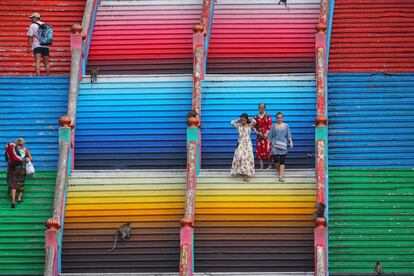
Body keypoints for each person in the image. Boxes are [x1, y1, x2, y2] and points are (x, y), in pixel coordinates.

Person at [5, 138, 32, 208]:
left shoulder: (14, 149)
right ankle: (19, 198)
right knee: (21, 183)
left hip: (13, 169)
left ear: (17, 143)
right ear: (23, 143)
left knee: (13, 184)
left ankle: (13, 201)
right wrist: (26, 159)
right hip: (22, 169)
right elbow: (30, 158)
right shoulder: (26, 150)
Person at [230, 113, 256, 182]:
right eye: (242, 120)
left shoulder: (249, 126)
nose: (243, 121)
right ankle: (241, 171)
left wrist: (248, 118)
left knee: (247, 158)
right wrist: (239, 119)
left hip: (247, 144)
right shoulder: (239, 126)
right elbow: (232, 122)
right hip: (240, 143)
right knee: (239, 156)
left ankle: (246, 176)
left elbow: (254, 122)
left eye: (244, 120)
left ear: (246, 120)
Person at [268, 112, 293, 182]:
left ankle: (281, 176)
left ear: (282, 118)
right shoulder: (273, 126)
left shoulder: (286, 126)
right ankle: (279, 171)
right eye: (278, 118)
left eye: (280, 117)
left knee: (282, 160)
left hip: (283, 144)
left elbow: (289, 135)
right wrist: (268, 145)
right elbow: (270, 136)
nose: (279, 119)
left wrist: (291, 142)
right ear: (276, 118)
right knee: (276, 159)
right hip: (275, 145)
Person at [254, 103, 273, 169]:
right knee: (260, 151)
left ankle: (270, 165)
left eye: (263, 108)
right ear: (258, 108)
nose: (261, 109)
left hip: (267, 137)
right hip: (259, 137)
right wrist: (257, 132)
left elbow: (270, 126)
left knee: (268, 150)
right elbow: (253, 126)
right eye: (260, 108)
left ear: (264, 108)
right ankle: (261, 166)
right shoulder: (255, 117)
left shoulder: (268, 116)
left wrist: (267, 133)